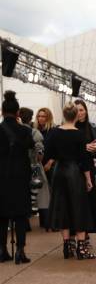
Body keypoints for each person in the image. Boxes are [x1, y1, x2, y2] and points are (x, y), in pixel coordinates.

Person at [43, 103, 95, 259]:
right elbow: (84, 159)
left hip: (59, 172)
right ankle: (81, 248)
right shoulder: (80, 135)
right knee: (78, 208)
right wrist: (88, 179)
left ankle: (67, 246)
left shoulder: (53, 133)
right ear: (75, 116)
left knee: (62, 208)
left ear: (64, 115)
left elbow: (47, 155)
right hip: (74, 173)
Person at [0, 91, 34, 263]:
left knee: (1, 215)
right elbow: (31, 147)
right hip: (20, 177)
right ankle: (20, 251)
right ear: (18, 113)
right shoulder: (24, 131)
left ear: (1, 111)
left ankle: (2, 250)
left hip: (2, 179)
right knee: (21, 216)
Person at [74, 99, 96, 248]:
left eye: (82, 109)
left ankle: (86, 234)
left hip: (90, 170)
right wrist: (84, 147)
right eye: (77, 110)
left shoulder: (91, 127)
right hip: (75, 170)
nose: (80, 112)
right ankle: (78, 236)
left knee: (89, 203)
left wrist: (95, 147)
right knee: (77, 204)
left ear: (86, 111)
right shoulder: (71, 128)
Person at [19, 107, 50, 227]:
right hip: (35, 168)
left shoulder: (16, 131)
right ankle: (46, 223)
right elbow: (40, 153)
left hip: (20, 168)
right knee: (43, 195)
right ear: (31, 118)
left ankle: (25, 225)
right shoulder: (35, 132)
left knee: (22, 196)